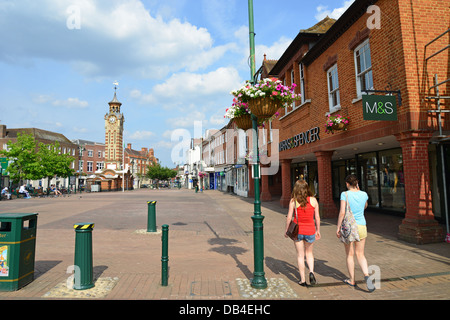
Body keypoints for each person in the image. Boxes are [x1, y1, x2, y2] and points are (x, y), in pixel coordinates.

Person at [336, 174, 375, 292]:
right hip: (362, 225)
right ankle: (366, 275)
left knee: (350, 255)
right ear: (357, 184)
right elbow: (365, 207)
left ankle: (352, 280)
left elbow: (342, 212)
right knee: (361, 254)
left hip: (349, 227)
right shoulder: (363, 194)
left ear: (347, 184)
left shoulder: (345, 194)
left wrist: (338, 227)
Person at [285, 179, 321, 287]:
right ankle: (311, 272)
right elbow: (317, 217)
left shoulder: (293, 201)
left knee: (300, 255)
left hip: (297, 231)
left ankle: (302, 279)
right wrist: (318, 230)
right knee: (309, 254)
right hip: (310, 230)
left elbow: (289, 217)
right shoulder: (313, 200)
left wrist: (287, 230)